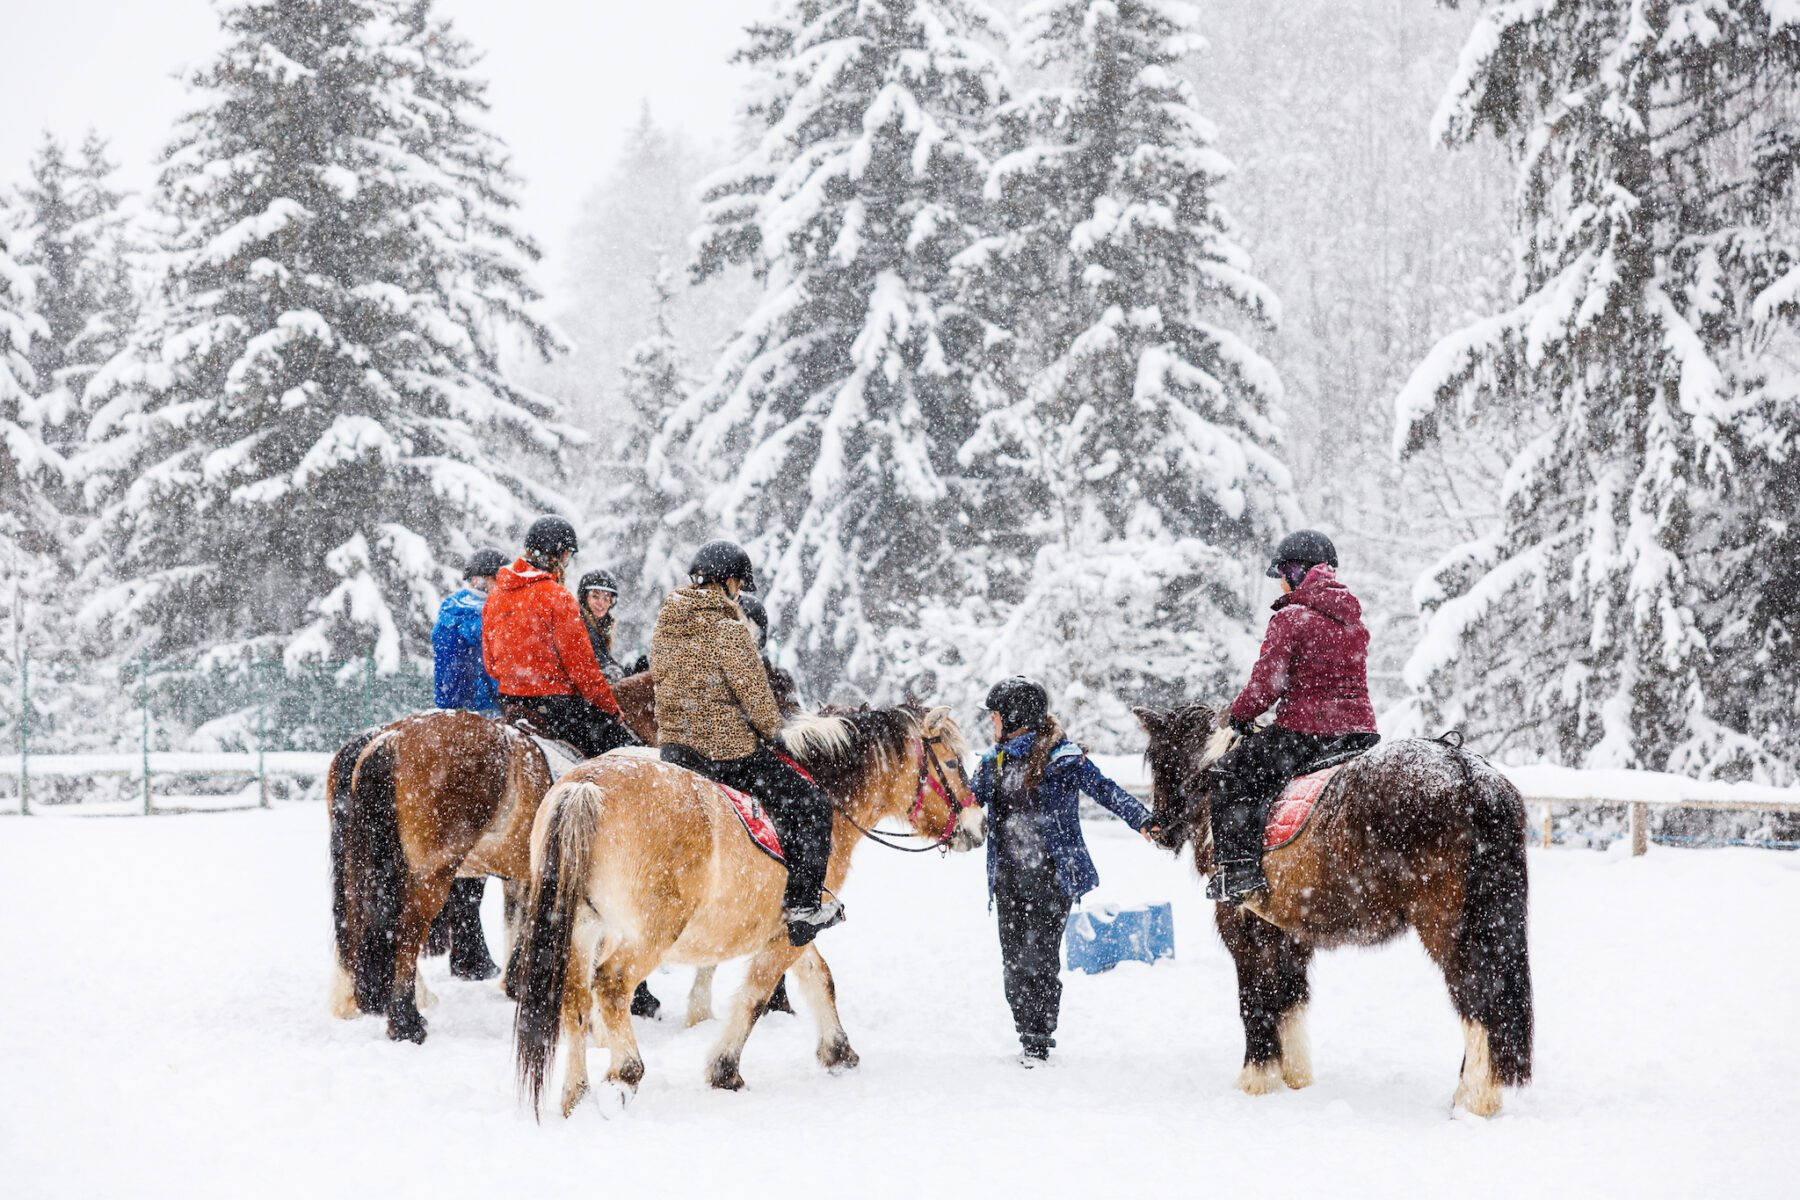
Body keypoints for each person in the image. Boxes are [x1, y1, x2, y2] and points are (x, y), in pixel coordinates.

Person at [652, 540, 843, 947]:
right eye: (738, 584)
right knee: (810, 804)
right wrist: (774, 732)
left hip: (674, 751)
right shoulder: (729, 628)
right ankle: (804, 906)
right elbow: (754, 695)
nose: (739, 593)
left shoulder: (667, 622)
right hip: (726, 754)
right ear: (728, 582)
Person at [972, 677, 1160, 1068]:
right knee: (1013, 962)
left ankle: (1039, 1038)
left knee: (1040, 959)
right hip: (1008, 878)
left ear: (1014, 718)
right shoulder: (993, 763)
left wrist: (1142, 820)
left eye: (994, 716)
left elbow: (1106, 790)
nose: (990, 724)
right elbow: (966, 804)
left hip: (1050, 879)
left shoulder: (1062, 759)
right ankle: (1026, 1032)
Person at [1208, 529, 1381, 905]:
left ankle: (1239, 872)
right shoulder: (1354, 621)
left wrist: (1238, 715)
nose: (1282, 587)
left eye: (1283, 576)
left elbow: (1265, 687)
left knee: (1227, 775)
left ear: (1297, 571)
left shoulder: (1291, 618)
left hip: (1306, 733)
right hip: (1359, 736)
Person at [482, 516, 639, 758]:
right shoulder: (558, 597)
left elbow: (491, 665)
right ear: (563, 555)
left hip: (510, 701)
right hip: (557, 706)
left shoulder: (496, 596)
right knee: (623, 754)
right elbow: (582, 669)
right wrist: (611, 708)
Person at [425, 547, 508, 980]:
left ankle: (462, 941)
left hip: (448, 712)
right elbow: (494, 667)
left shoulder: (450, 609)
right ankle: (469, 946)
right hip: (483, 715)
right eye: (495, 579)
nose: (496, 586)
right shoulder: (481, 613)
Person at [576, 568, 628, 682]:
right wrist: (617, 672)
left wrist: (631, 671)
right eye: (595, 596)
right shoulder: (580, 626)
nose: (601, 603)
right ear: (584, 598)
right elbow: (600, 665)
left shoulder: (599, 628)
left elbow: (606, 661)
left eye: (606, 598)